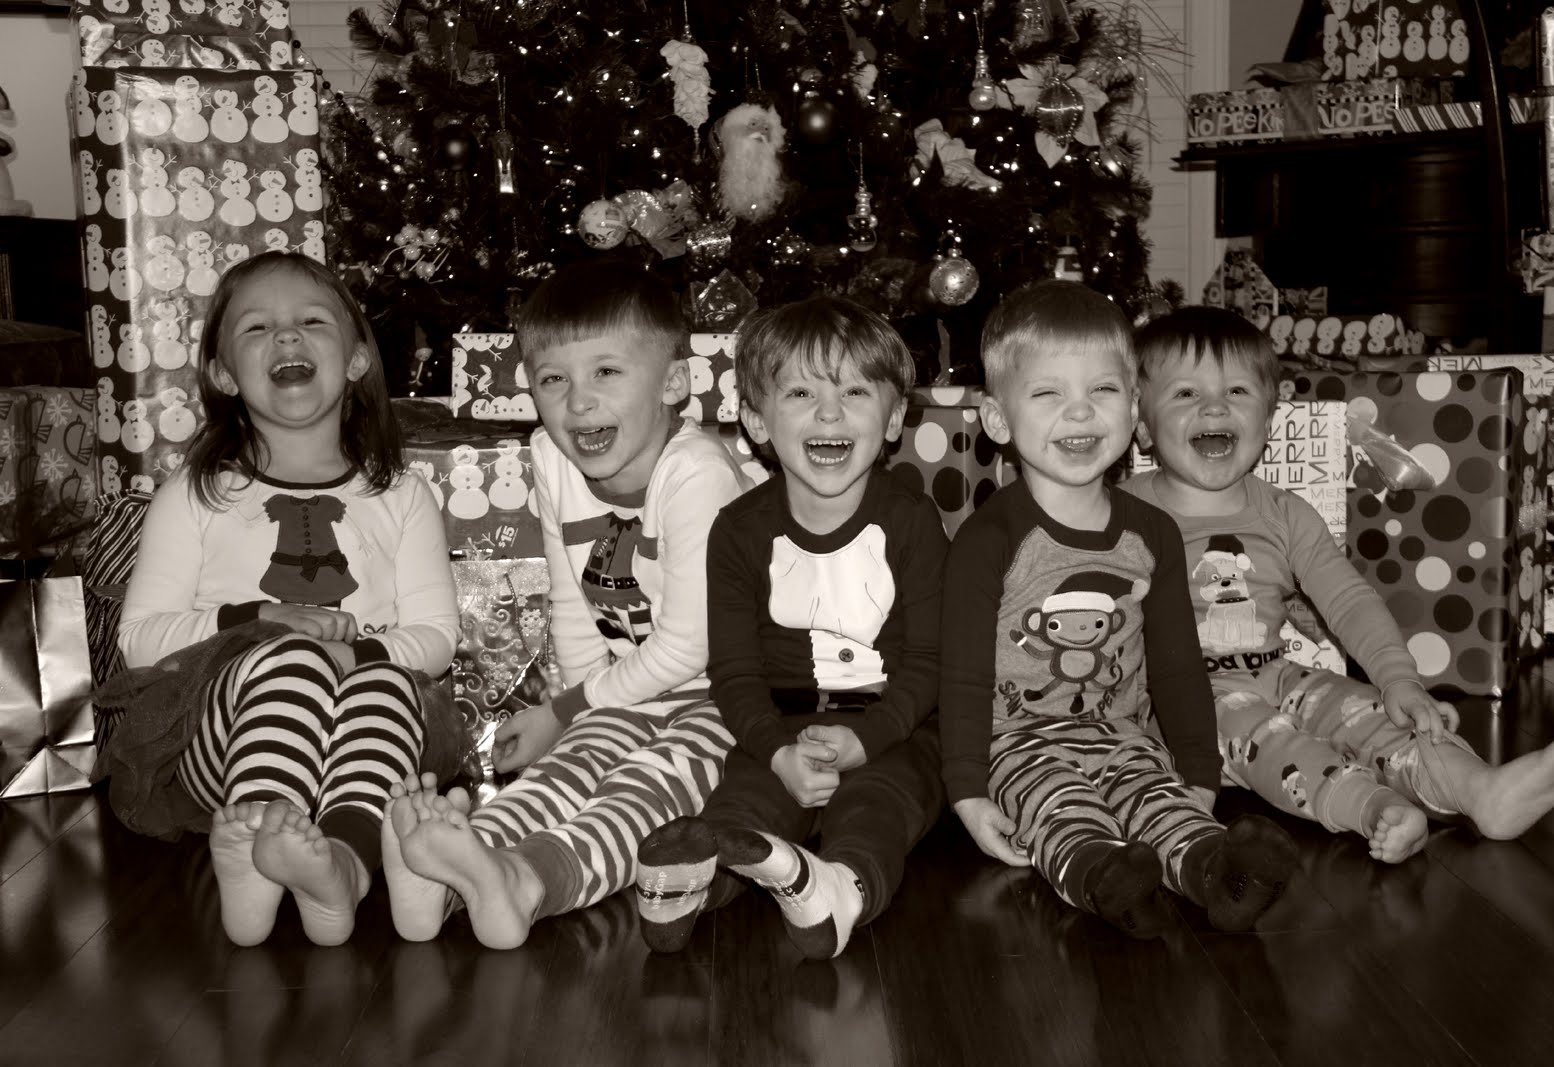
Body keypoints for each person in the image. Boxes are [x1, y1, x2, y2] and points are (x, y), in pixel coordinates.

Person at [1122, 305, 1554, 862]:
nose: (1215, 406)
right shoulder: (1121, 515)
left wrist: (1399, 681)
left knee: (1368, 711)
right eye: (1185, 394)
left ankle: (1477, 788)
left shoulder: (1284, 514)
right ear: (1142, 425)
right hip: (1182, 703)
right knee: (1271, 739)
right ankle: (1371, 808)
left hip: (1274, 670)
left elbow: (1348, 600)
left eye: (1238, 391)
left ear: (1267, 420)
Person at [383, 259, 746, 949]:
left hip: (727, 698)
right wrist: (580, 716)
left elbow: (688, 648)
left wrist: (566, 708)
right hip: (628, 689)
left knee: (643, 792)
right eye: (554, 379)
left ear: (673, 383)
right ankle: (444, 870)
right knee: (563, 771)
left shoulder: (696, 474)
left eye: (606, 372)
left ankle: (527, 881)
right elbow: (573, 601)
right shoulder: (552, 458)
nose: (578, 403)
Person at [113, 251, 461, 947]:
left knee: (385, 682)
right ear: (223, 374)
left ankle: (345, 867)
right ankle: (258, 833)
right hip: (227, 743)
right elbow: (140, 639)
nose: (287, 336)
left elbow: (436, 635)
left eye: (311, 321)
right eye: (257, 328)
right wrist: (257, 623)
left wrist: (356, 655)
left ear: (357, 359)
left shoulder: (400, 494)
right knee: (291, 660)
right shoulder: (195, 495)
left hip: (377, 738)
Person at [941, 280, 1300, 939]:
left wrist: (1198, 771)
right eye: (1049, 394)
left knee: (1159, 799)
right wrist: (966, 791)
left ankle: (1217, 872)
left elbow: (1177, 665)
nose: (1080, 412)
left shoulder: (1152, 532)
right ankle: (1102, 875)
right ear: (997, 419)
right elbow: (960, 677)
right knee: (1060, 805)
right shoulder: (988, 539)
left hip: (1121, 734)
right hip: (1014, 744)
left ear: (1133, 407)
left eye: (1102, 390)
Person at [631, 296, 948, 960]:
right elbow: (734, 670)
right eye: (801, 393)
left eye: (855, 392)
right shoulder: (739, 529)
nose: (829, 413)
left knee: (879, 806)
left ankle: (840, 887)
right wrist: (778, 752)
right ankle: (696, 882)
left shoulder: (912, 521)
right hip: (780, 728)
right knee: (744, 800)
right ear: (756, 420)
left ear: (893, 418)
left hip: (893, 728)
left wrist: (867, 740)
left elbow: (929, 660)